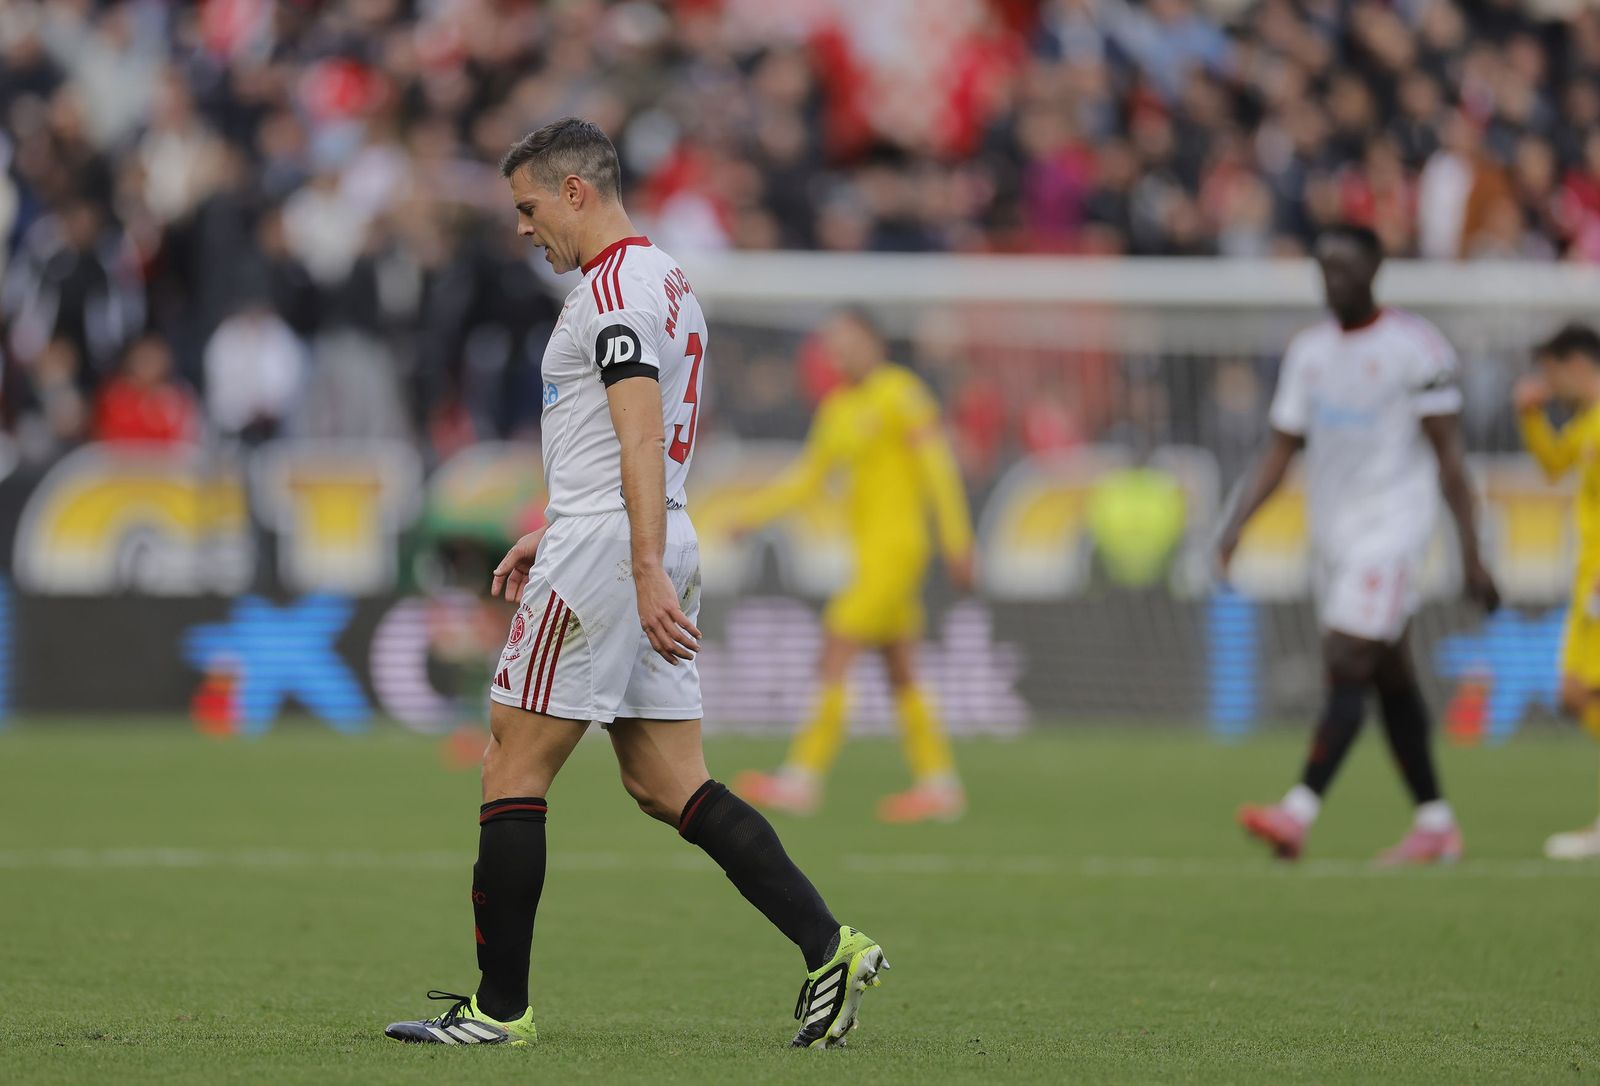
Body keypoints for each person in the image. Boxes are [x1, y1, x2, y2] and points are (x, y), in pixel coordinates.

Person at [383, 119, 886, 1051]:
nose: (524, 229)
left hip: (619, 547)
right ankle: (830, 947)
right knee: (667, 781)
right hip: (633, 534)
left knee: (511, 763)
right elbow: (621, 438)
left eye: (529, 208)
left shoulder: (613, 291)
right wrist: (566, 528)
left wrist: (625, 557)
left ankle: (499, 1012)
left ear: (576, 191)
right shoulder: (665, 278)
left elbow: (639, 432)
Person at [1217, 223, 1500, 865]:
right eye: (1324, 269)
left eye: (1345, 269)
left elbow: (1450, 459)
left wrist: (1472, 552)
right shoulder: (1308, 353)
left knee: (1346, 655)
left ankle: (1298, 811)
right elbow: (1281, 449)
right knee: (1387, 676)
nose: (1333, 281)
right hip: (1336, 535)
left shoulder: (1415, 348)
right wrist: (1236, 525)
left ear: (1375, 270)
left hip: (1393, 528)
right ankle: (1435, 822)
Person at [728, 310, 976, 823]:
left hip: (898, 552)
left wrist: (958, 541)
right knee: (900, 666)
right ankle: (940, 784)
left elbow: (939, 470)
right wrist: (751, 516)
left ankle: (802, 777)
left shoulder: (901, 395)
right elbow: (807, 479)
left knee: (837, 645)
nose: (838, 353)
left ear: (874, 342)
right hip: (870, 556)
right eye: (832, 345)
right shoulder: (839, 408)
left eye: (847, 342)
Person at [1513, 324, 1600, 859]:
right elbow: (1553, 465)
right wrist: (1530, 417)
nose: (1548, 384)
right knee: (1577, 694)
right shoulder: (1588, 423)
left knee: (1576, 692)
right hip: (1588, 577)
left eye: (1550, 373)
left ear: (1574, 365)